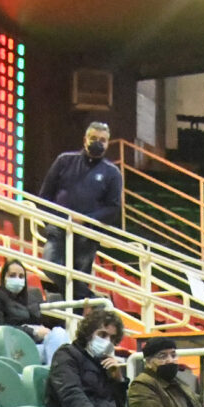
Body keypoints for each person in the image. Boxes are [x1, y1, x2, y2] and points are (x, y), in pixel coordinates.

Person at [37, 119, 120, 295]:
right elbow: (44, 197)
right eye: (93, 138)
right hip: (58, 230)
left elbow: (113, 209)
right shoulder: (64, 161)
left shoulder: (112, 173)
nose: (97, 143)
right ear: (85, 140)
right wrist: (53, 221)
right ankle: (89, 297)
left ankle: (78, 314)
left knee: (80, 278)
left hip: (87, 236)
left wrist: (86, 219)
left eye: (102, 140)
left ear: (107, 144)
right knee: (50, 266)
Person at [45, 302, 127, 407]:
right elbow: (71, 395)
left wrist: (118, 381)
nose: (107, 342)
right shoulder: (66, 354)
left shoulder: (105, 364)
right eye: (102, 334)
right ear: (88, 333)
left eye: (112, 338)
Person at [0, 258, 47, 339]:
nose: (17, 279)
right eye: (12, 275)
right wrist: (32, 332)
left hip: (34, 341)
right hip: (15, 345)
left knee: (58, 332)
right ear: (4, 277)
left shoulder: (28, 298)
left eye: (21, 276)